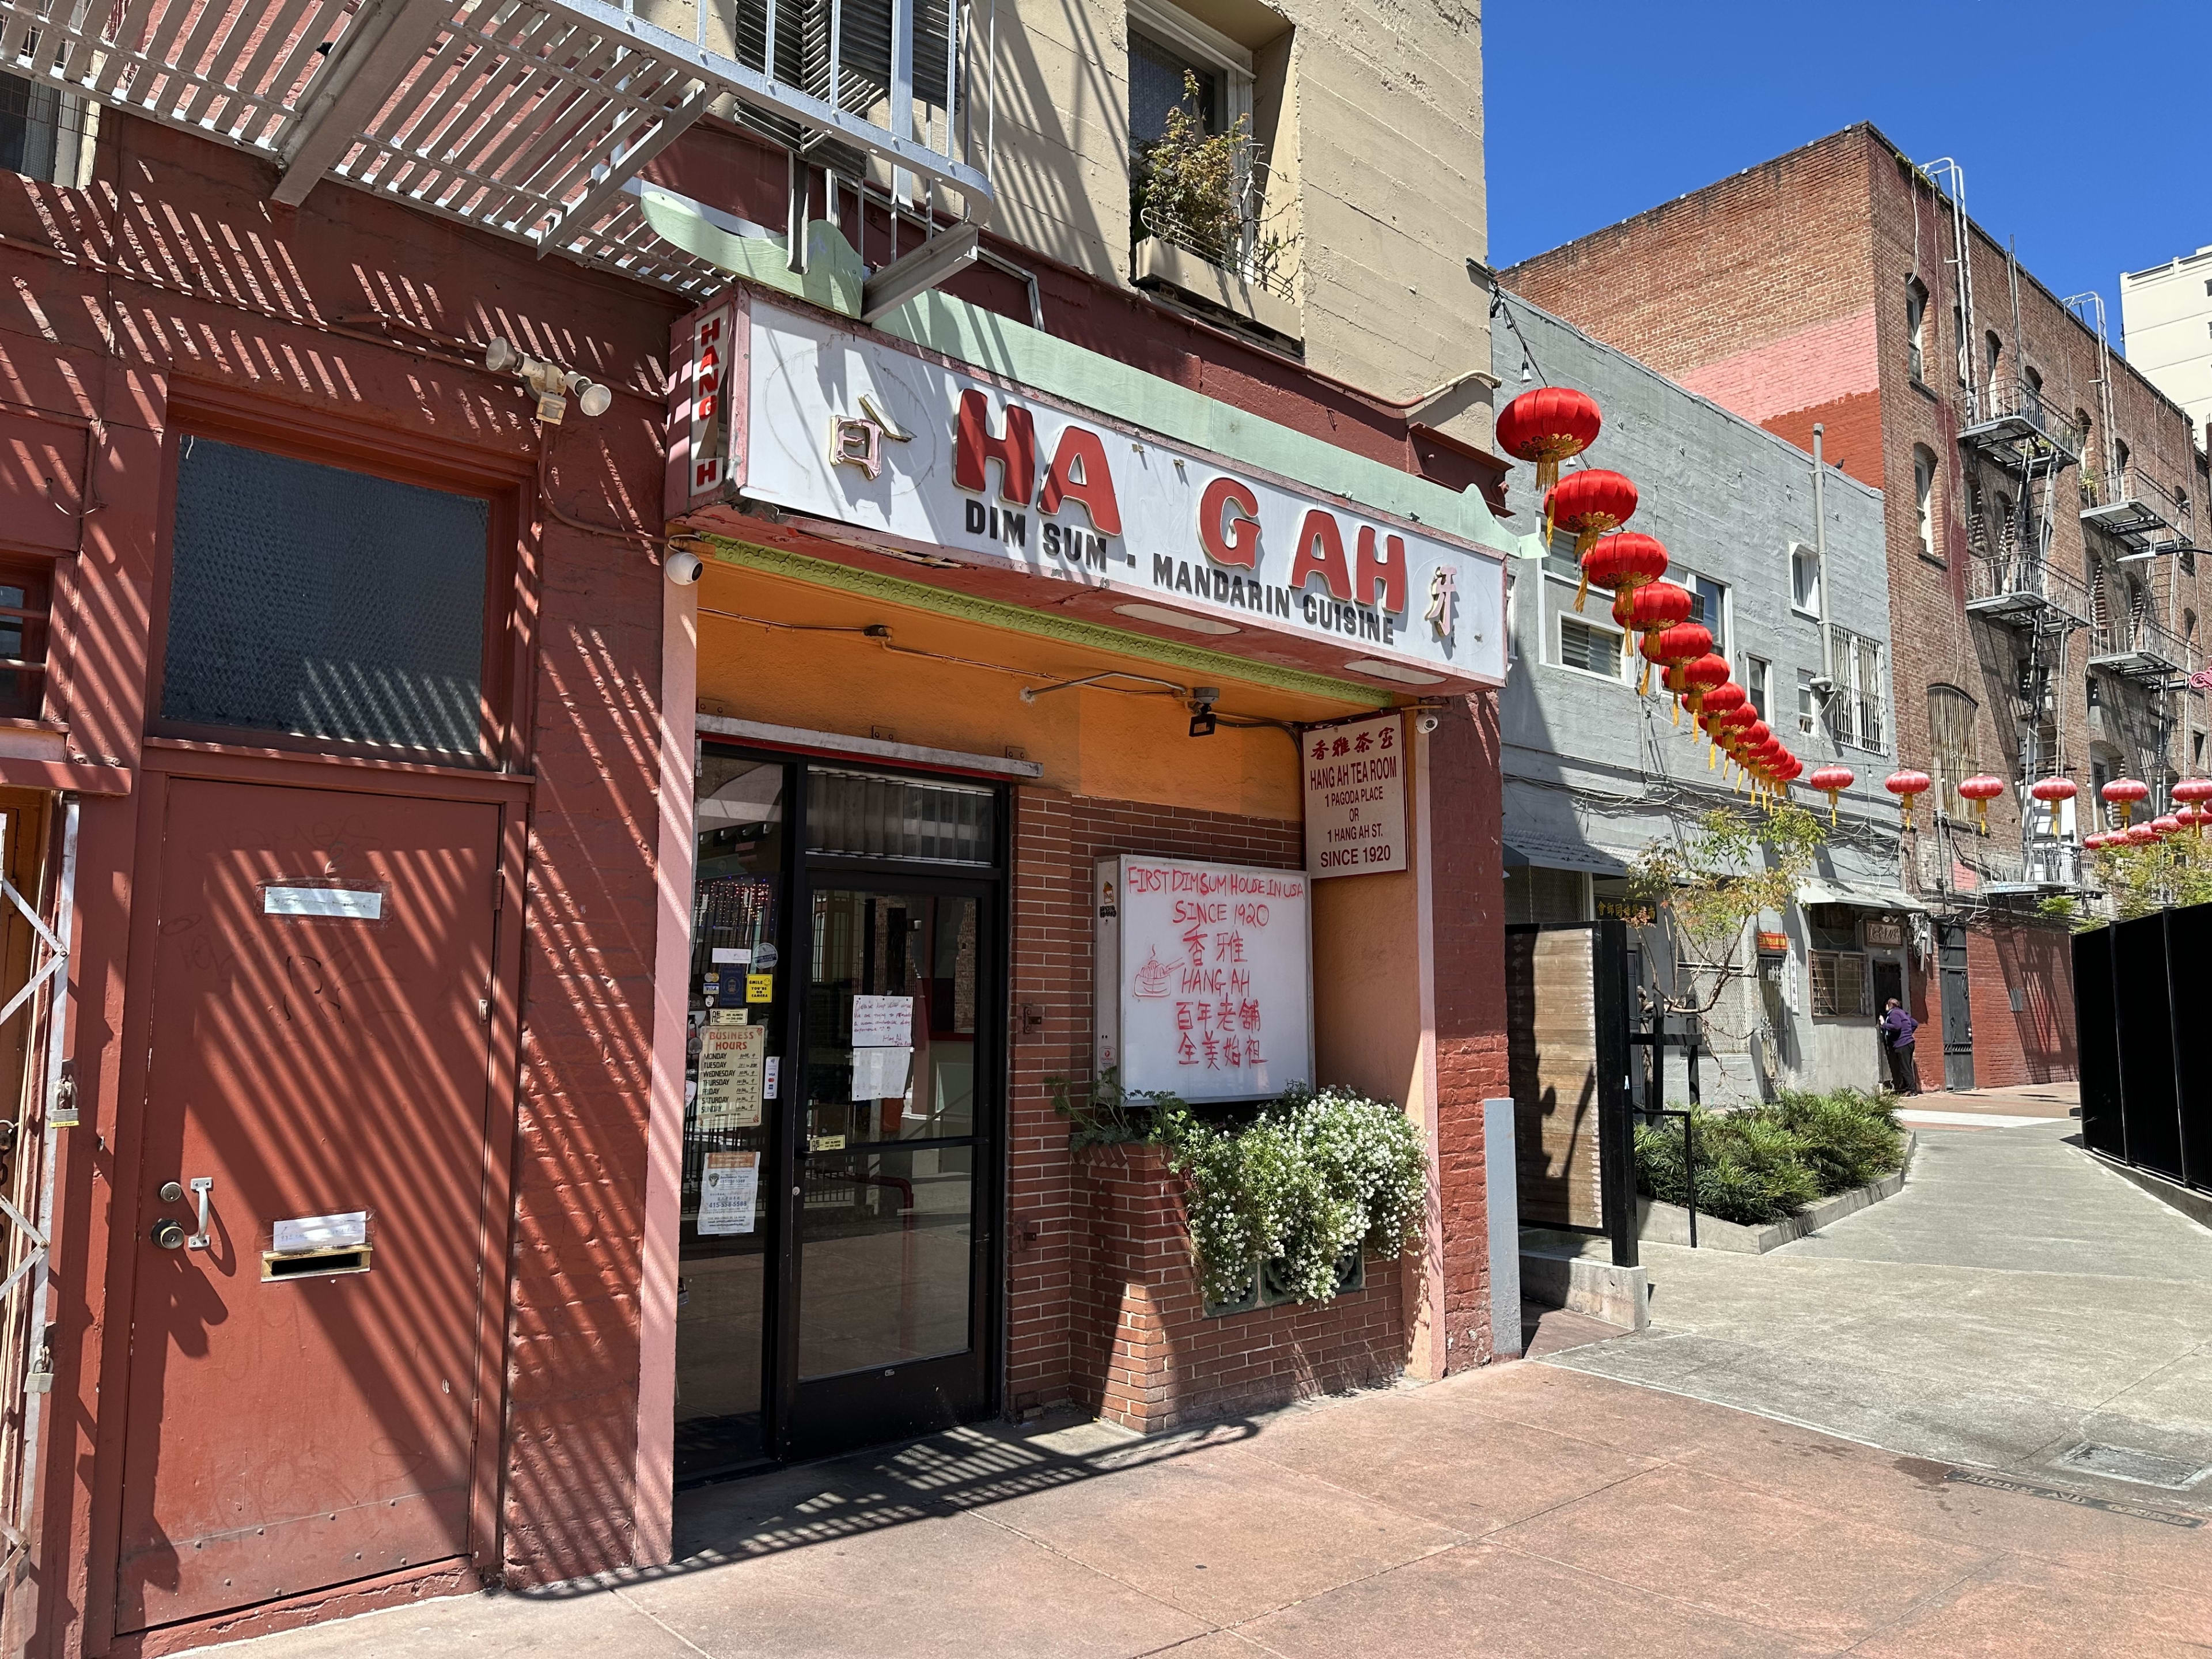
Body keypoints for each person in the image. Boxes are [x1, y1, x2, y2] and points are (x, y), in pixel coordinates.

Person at [1880, 997, 1921, 1095]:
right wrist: (1908, 1033)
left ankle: (1911, 1090)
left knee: (1905, 1068)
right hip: (1909, 1043)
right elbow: (1914, 1023)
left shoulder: (1894, 1014)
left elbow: (1897, 1026)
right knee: (1907, 1067)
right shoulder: (1903, 1013)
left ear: (1889, 1005)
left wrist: (1884, 1024)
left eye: (1886, 1005)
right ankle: (1908, 1088)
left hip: (1902, 1044)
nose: (1885, 1007)